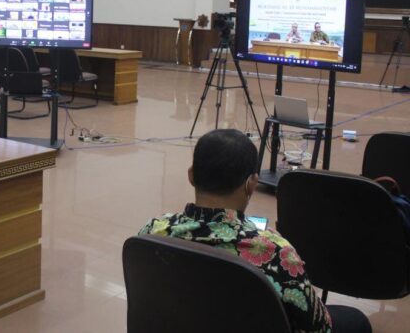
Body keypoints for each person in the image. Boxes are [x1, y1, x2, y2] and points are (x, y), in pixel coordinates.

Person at [139, 129, 370, 333]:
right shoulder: (276, 253)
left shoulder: (152, 233)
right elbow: (319, 326)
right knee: (355, 320)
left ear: (191, 175)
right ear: (251, 184)